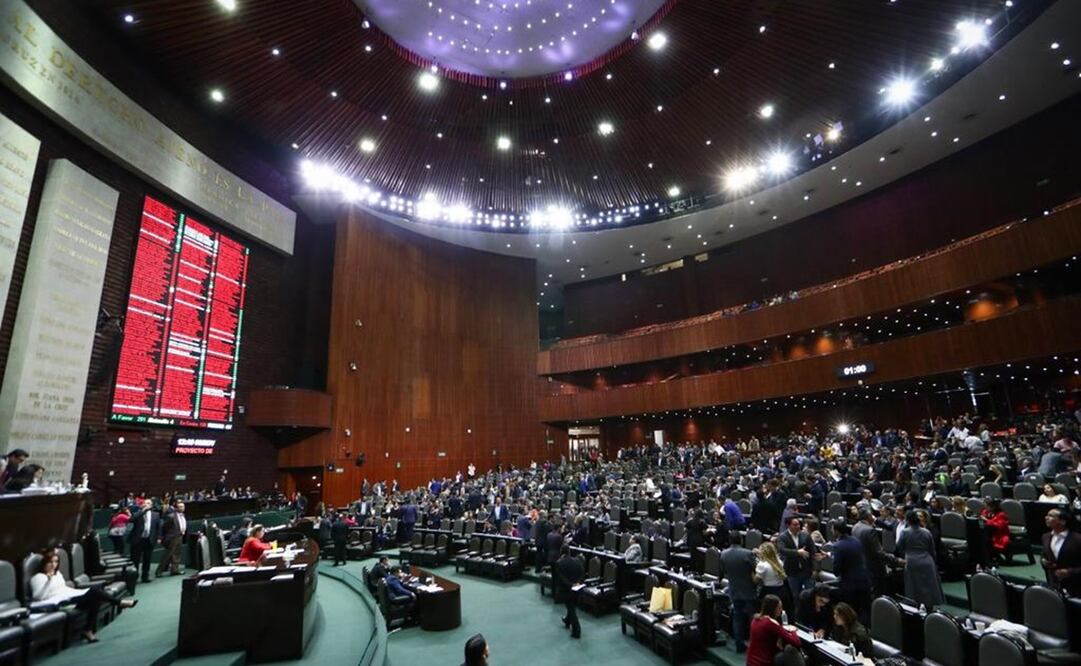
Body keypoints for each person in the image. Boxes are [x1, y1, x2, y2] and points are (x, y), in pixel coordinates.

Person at [30, 549, 137, 642]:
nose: (53, 565)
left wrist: (71, 590)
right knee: (94, 592)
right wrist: (48, 581)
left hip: (69, 596)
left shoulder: (57, 574)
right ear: (44, 564)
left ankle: (88, 630)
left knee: (94, 599)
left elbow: (63, 588)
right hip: (56, 602)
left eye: (56, 562)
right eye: (50, 562)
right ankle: (119, 603)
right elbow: (39, 597)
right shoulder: (37, 577)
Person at [897, 510, 944, 609]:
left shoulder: (905, 532)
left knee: (913, 589)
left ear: (908, 520)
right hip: (927, 561)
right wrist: (934, 562)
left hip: (911, 561)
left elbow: (899, 547)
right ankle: (929, 610)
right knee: (928, 587)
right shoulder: (926, 532)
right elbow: (932, 550)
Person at [830, 521, 872, 621]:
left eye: (832, 529)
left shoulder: (838, 546)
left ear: (837, 531)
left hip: (850, 585)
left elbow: (836, 571)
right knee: (865, 611)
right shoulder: (856, 541)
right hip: (864, 581)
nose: (831, 531)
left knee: (851, 612)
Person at [721, 540, 757, 653]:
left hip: (734, 590)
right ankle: (754, 645)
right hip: (749, 590)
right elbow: (755, 568)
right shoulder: (747, 553)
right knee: (753, 619)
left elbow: (723, 571)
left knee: (737, 618)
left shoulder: (724, 554)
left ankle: (739, 645)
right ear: (740, 540)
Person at [747, 594, 801, 666]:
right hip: (763, 663)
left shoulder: (755, 619)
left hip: (750, 661)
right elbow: (796, 642)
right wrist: (793, 631)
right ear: (773, 609)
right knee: (790, 651)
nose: (781, 610)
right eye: (779, 608)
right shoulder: (771, 623)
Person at [853, 509, 896, 596]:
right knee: (879, 592)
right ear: (868, 517)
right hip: (874, 567)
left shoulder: (856, 527)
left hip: (863, 564)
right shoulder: (870, 530)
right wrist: (894, 559)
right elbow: (878, 552)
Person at [1041, 508, 1081, 596]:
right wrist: (1044, 562)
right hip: (1054, 586)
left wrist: (1069, 572)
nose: (1046, 517)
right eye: (1047, 515)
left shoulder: (1077, 539)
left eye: (1051, 516)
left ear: (1063, 521)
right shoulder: (1046, 537)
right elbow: (1044, 556)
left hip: (1076, 587)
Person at [777, 516, 816, 601]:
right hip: (792, 572)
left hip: (807, 570)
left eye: (798, 524)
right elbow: (782, 550)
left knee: (811, 595)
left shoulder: (805, 535)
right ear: (788, 525)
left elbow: (813, 552)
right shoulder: (783, 537)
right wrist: (797, 552)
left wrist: (814, 569)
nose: (798, 526)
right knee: (796, 596)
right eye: (795, 525)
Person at [127, 499, 161, 583]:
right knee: (135, 559)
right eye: (145, 503)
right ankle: (134, 578)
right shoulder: (138, 513)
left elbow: (158, 527)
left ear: (152, 505)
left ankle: (145, 576)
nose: (147, 504)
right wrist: (142, 511)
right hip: (137, 539)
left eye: (149, 503)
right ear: (142, 505)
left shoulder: (156, 514)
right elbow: (131, 519)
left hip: (149, 539)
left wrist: (159, 537)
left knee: (147, 559)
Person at [754, 542, 791, 616]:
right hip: (782, 592)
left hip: (768, 592)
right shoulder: (779, 562)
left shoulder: (762, 565)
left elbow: (756, 581)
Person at [555, 547, 584, 639]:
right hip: (577, 588)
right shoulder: (577, 560)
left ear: (561, 552)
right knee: (572, 606)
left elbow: (561, 578)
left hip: (567, 590)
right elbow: (582, 573)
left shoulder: (559, 563)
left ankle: (577, 630)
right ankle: (567, 620)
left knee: (571, 609)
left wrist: (571, 584)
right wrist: (577, 582)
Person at [156, 501, 187, 577]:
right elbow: (164, 527)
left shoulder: (183, 515)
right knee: (167, 555)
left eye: (183, 506)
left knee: (177, 554)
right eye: (180, 506)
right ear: (176, 508)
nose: (182, 508)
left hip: (180, 536)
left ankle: (174, 570)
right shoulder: (171, 516)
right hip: (172, 537)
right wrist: (161, 537)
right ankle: (159, 571)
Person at [980, 498, 1011, 565]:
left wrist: (986, 520)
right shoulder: (985, 512)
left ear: (993, 506)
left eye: (987, 506)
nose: (985, 508)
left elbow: (999, 526)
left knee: (987, 539)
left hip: (999, 535)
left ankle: (990, 559)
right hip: (989, 533)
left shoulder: (1001, 514)